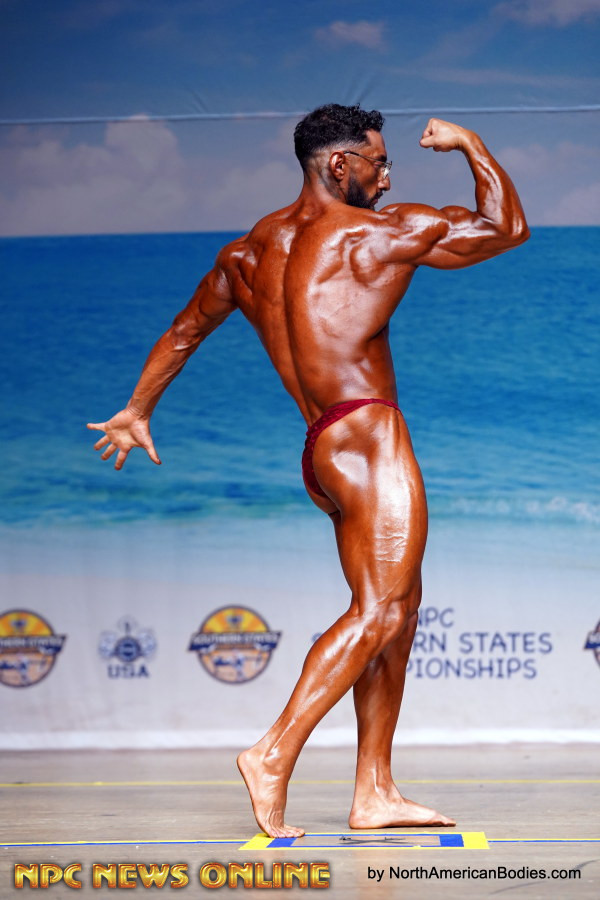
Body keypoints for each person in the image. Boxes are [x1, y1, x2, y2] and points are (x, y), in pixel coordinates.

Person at [88, 104, 528, 838]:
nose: (387, 179)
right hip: (370, 434)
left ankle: (374, 790)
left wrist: (138, 408)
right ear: (338, 164)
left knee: (397, 612)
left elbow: (185, 331)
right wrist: (469, 144)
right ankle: (273, 751)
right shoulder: (376, 234)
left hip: (322, 447)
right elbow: (504, 228)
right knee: (380, 611)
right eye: (378, 164)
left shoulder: (247, 254)